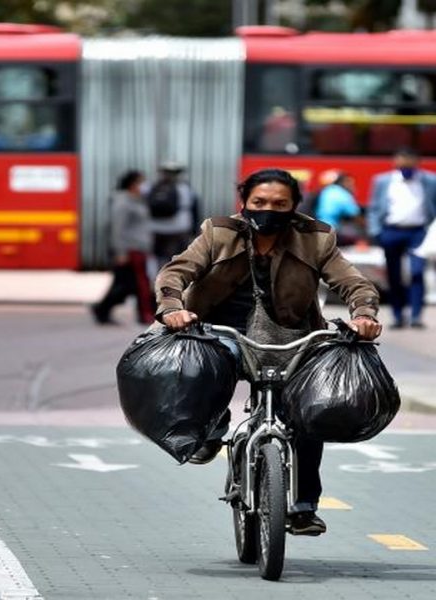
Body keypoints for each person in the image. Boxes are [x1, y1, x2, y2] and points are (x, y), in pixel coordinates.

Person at [155, 168, 382, 536]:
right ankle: (212, 430)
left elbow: (354, 283)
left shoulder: (316, 239)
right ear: (244, 203)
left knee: (309, 413)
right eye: (259, 202)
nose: (268, 210)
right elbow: (176, 272)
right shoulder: (219, 231)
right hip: (222, 330)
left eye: (280, 204)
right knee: (208, 367)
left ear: (295, 207)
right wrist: (172, 308)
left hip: (292, 335)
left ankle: (304, 506)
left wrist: (364, 315)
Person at [367, 147, 436, 329]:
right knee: (393, 275)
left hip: (418, 232)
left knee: (417, 273)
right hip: (391, 231)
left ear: (417, 163)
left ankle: (415, 316)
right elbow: (374, 207)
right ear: (395, 163)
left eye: (409, 164)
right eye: (401, 164)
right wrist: (376, 232)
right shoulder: (382, 181)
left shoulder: (430, 180)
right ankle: (397, 315)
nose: (405, 168)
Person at [91, 170, 155, 325]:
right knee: (138, 284)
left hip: (139, 248)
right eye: (141, 182)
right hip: (130, 249)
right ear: (132, 184)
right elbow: (117, 229)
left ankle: (102, 309)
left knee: (127, 284)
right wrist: (120, 252)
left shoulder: (137, 200)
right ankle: (144, 315)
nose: (145, 186)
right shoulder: (123, 202)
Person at [147, 161, 201, 266]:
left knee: (157, 257)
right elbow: (194, 209)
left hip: (155, 228)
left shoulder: (152, 187)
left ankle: (156, 278)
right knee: (177, 259)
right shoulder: (185, 188)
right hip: (179, 228)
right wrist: (195, 230)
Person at [315, 171, 364, 246]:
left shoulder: (326, 191)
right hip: (332, 230)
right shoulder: (342, 194)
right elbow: (355, 215)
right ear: (342, 182)